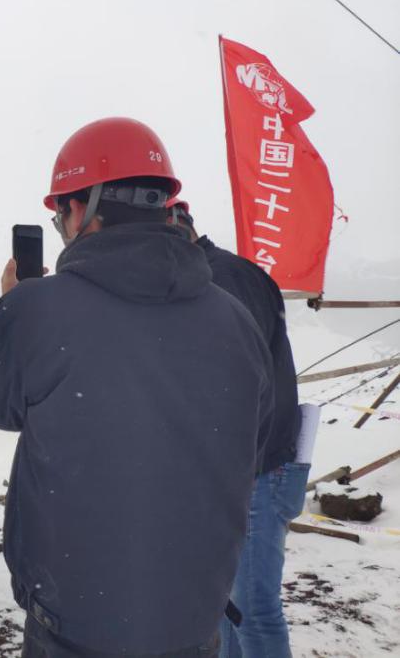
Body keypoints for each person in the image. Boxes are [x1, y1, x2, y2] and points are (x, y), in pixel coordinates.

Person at [0, 117, 275, 657]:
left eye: (60, 214)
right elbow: (252, 444)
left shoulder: (38, 309)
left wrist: (10, 308)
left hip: (75, 625)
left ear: (81, 208)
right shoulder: (235, 319)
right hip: (194, 623)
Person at [167, 199, 309, 658]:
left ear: (177, 226)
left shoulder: (223, 279)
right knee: (226, 607)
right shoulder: (211, 276)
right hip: (241, 472)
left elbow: (236, 385)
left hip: (256, 474)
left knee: (252, 609)